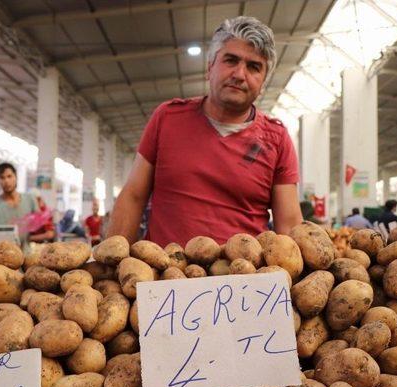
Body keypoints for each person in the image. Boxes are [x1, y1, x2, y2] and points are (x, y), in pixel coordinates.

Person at [107, 16, 302, 247]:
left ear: (263, 83)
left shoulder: (276, 139)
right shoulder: (168, 118)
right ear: (210, 68)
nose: (240, 74)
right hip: (166, 274)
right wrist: (110, 264)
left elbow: (288, 224)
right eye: (231, 60)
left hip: (244, 278)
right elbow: (133, 196)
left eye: (254, 67)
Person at [0, 163, 55, 243]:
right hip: (2, 253)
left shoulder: (30, 200)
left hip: (27, 254)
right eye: (2, 177)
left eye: (9, 176)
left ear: (15, 177)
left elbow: (41, 226)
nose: (6, 181)